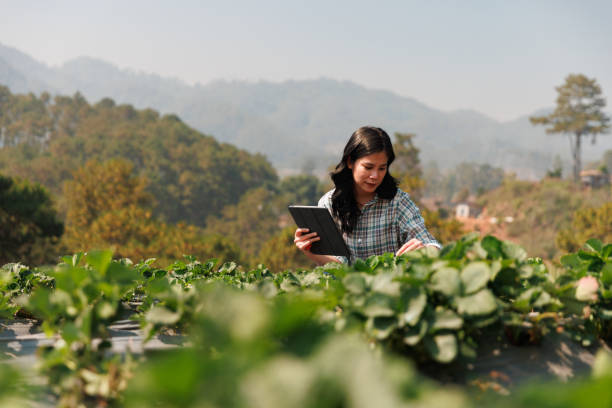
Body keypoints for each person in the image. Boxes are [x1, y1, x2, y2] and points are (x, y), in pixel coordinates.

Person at [294, 126, 440, 265]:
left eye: (382, 168)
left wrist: (425, 250)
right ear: (350, 161)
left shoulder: (398, 202)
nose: (375, 176)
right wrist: (310, 252)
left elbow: (431, 244)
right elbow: (339, 266)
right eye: (368, 167)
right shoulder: (329, 204)